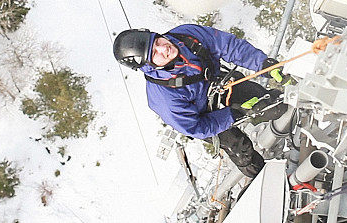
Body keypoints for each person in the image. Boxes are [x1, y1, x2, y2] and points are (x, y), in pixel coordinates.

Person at [113, 24, 289, 178]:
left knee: (266, 103)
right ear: (148, 66)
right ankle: (261, 176)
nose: (163, 48)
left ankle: (293, 118)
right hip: (204, 116)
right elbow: (196, 127)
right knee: (239, 147)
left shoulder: (187, 35)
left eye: (158, 41)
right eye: (154, 53)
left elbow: (229, 46)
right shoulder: (164, 98)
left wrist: (264, 64)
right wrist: (234, 114)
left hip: (217, 84)